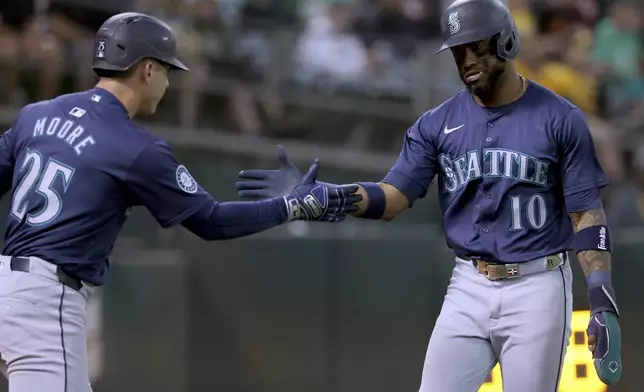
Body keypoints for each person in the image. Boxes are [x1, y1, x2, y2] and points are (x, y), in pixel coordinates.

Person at [235, 0, 622, 391]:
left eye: (477, 46)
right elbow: (393, 197)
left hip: (537, 286)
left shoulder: (560, 118)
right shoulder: (436, 124)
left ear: (506, 42)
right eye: (458, 50)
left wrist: (601, 298)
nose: (467, 59)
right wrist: (329, 196)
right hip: (469, 282)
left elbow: (586, 214)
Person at [0, 12, 361, 392]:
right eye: (169, 71)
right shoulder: (136, 147)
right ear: (148, 69)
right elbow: (212, 221)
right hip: (46, 302)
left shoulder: (36, 115)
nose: (169, 82)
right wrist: (293, 206)